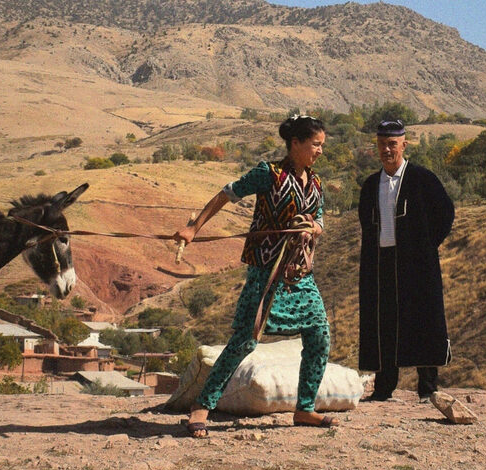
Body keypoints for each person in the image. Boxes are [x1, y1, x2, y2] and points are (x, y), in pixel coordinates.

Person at [173, 114, 335, 437]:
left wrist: (314, 227)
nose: (319, 151)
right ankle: (202, 406)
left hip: (300, 276)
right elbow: (227, 194)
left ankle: (304, 408)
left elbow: (319, 217)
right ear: (295, 143)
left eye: (322, 146)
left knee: (320, 335)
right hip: (267, 274)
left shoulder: (315, 182)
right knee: (244, 341)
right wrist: (194, 228)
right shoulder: (268, 174)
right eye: (315, 145)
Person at [357, 117, 456, 401]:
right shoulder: (371, 184)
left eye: (392, 144)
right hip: (381, 264)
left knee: (423, 318)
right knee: (384, 322)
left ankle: (428, 387)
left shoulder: (423, 179)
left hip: (416, 264)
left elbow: (446, 213)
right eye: (382, 145)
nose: (387, 150)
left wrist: (425, 246)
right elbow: (367, 223)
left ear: (404, 144)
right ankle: (384, 386)